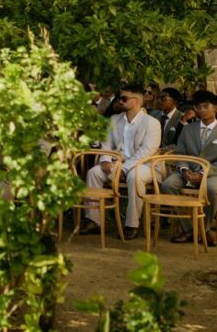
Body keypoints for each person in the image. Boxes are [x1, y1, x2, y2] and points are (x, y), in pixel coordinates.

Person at [81, 83, 161, 239]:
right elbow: (106, 143)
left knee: (134, 176)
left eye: (124, 98)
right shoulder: (114, 119)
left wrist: (125, 168)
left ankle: (132, 224)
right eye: (119, 98)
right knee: (94, 173)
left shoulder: (152, 123)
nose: (120, 102)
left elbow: (147, 151)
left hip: (144, 165)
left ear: (137, 100)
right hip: (116, 162)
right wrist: (104, 159)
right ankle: (93, 220)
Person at [162, 90, 217, 243]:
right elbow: (180, 152)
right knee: (167, 184)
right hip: (187, 170)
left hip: (212, 173)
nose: (202, 110)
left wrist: (202, 173)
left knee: (212, 189)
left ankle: (204, 229)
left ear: (215, 108)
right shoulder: (188, 129)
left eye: (206, 106)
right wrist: (185, 170)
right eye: (198, 107)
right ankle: (189, 229)